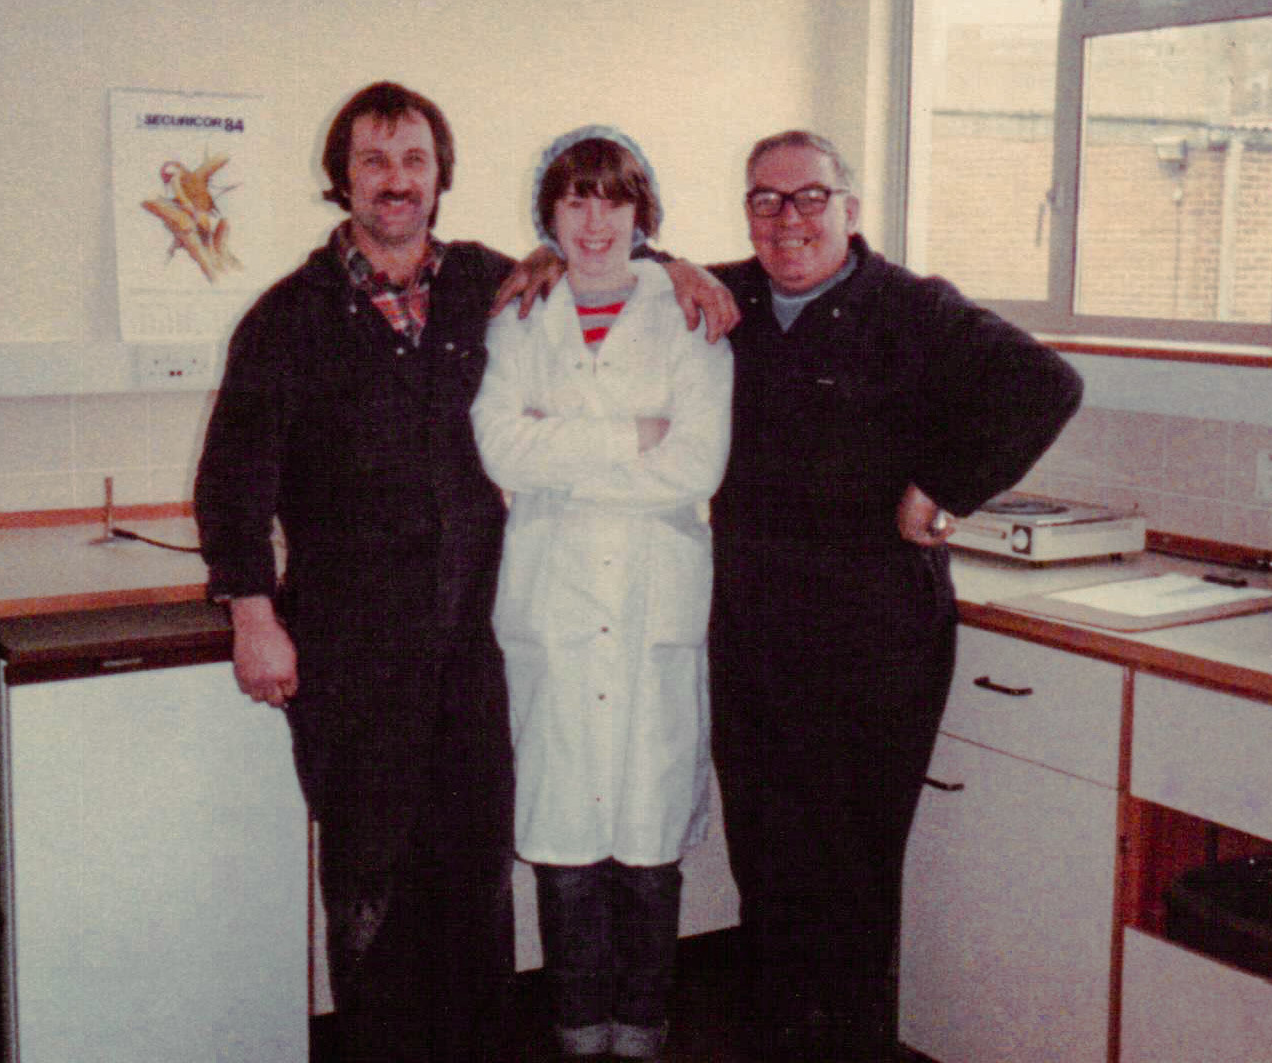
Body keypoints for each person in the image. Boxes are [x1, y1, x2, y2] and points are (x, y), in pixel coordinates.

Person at [193, 83, 735, 1063]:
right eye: (373, 161)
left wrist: (674, 264)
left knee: (476, 879)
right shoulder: (288, 319)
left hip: (476, 650)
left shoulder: (493, 286)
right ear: (342, 178)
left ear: (441, 176)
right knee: (371, 881)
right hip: (354, 653)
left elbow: (599, 252)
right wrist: (250, 612)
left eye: (413, 161)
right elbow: (233, 480)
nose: (395, 182)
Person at [705, 131, 1084, 1062]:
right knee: (766, 868)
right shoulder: (731, 297)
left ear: (850, 208)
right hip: (752, 635)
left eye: (810, 198)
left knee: (846, 881)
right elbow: (614, 261)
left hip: (870, 646)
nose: (787, 219)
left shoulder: (911, 310)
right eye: (765, 200)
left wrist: (946, 483)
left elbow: (1048, 381)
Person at [471, 126, 733, 1063]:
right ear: (547, 213)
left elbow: (698, 460)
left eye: (613, 199)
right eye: (574, 199)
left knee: (648, 841)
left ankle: (644, 1035)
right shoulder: (519, 312)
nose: (594, 219)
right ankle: (579, 1036)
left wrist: (562, 451)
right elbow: (500, 449)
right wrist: (635, 435)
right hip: (551, 599)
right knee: (566, 842)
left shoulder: (691, 313)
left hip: (654, 600)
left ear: (641, 212)